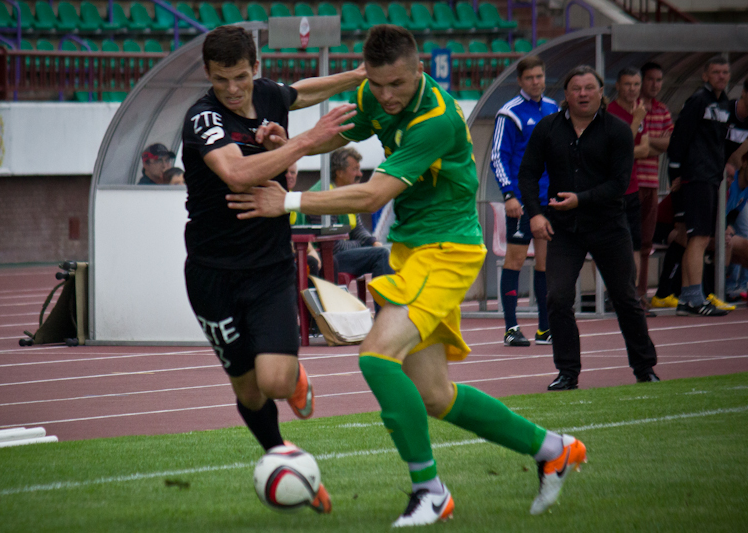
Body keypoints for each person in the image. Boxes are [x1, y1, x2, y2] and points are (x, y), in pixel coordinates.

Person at [227, 25, 587, 527]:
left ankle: (430, 492)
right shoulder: (374, 93)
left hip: (446, 250)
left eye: (397, 84)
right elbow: (342, 133)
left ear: (419, 69)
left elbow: (373, 195)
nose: (386, 96)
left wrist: (286, 200)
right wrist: (291, 145)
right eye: (377, 85)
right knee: (435, 395)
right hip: (412, 250)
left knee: (376, 357)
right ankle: (553, 449)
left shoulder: (436, 119)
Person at [181, 25, 365, 514]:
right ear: (208, 73)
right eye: (221, 79)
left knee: (277, 382)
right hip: (212, 275)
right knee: (247, 388)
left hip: (268, 268)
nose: (232, 88)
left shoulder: (267, 95)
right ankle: (286, 460)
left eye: (241, 77)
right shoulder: (203, 118)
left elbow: (300, 91)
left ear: (255, 68)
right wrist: (306, 142)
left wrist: (358, 75)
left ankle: (295, 380)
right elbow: (237, 173)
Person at [517, 65, 660, 391]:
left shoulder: (618, 131)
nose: (583, 94)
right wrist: (536, 215)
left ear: (601, 93)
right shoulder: (548, 128)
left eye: (589, 88)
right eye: (576, 89)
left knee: (625, 298)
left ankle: (644, 368)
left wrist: (580, 199)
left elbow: (619, 183)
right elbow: (527, 174)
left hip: (609, 225)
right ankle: (567, 373)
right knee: (558, 298)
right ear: (566, 95)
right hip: (563, 228)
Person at [490, 55, 558, 347]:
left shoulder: (554, 108)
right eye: (529, 78)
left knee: (545, 263)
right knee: (515, 260)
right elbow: (498, 157)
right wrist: (508, 194)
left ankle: (544, 328)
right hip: (521, 201)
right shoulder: (509, 112)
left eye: (539, 76)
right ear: (519, 81)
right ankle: (511, 328)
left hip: (549, 200)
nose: (535, 82)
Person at [666, 56, 731, 316]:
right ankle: (694, 297)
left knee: (697, 238)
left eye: (725, 72)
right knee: (699, 238)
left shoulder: (724, 103)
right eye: (716, 72)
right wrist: (675, 172)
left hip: (711, 176)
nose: (721, 76)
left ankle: (687, 297)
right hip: (696, 177)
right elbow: (680, 137)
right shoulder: (698, 101)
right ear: (705, 76)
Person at [300, 146, 395, 312]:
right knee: (381, 255)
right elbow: (334, 245)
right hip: (326, 258)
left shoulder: (345, 193)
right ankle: (386, 314)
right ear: (339, 172)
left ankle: (382, 312)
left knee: (381, 251)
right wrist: (365, 245)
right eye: (355, 169)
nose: (360, 174)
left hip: (339, 253)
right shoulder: (322, 196)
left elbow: (358, 229)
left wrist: (372, 242)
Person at [606, 67, 653, 316]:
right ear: (618, 86)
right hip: (613, 191)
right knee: (612, 244)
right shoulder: (611, 113)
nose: (633, 89)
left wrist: (628, 148)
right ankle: (611, 295)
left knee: (635, 243)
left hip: (633, 187)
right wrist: (635, 122)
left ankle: (632, 295)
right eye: (628, 84)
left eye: (636, 84)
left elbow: (644, 149)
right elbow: (617, 150)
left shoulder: (639, 111)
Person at [635, 62, 674, 308]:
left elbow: (670, 143)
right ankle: (626, 293)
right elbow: (628, 143)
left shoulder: (663, 110)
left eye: (659, 80)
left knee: (645, 242)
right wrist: (652, 143)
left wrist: (645, 143)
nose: (655, 84)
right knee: (628, 241)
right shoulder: (632, 107)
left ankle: (640, 293)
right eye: (650, 79)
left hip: (651, 183)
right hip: (631, 183)